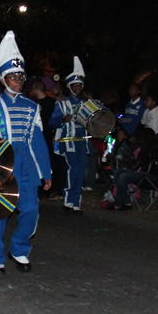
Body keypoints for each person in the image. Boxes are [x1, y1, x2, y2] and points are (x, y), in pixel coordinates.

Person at [0, 31, 52, 276]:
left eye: (21, 76)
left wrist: (45, 171)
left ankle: (20, 248)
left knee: (31, 210)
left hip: (25, 165)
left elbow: (37, 142)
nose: (18, 81)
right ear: (3, 79)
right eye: (13, 76)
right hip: (0, 163)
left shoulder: (32, 107)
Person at [48, 56, 92, 214]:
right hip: (68, 141)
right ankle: (68, 200)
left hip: (82, 141)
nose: (78, 87)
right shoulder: (61, 104)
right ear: (70, 86)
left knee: (80, 171)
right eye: (75, 85)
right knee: (73, 169)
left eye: (80, 85)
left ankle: (76, 202)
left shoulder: (87, 104)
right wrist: (62, 119)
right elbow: (52, 123)